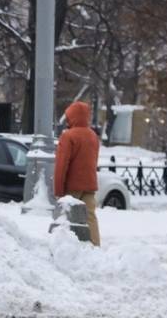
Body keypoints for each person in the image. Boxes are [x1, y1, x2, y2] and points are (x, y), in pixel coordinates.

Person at [54, 101, 101, 246]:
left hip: (71, 187)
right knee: (90, 217)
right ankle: (95, 245)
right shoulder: (93, 136)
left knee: (66, 218)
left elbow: (61, 165)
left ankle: (64, 247)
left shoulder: (68, 136)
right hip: (89, 184)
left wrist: (58, 190)